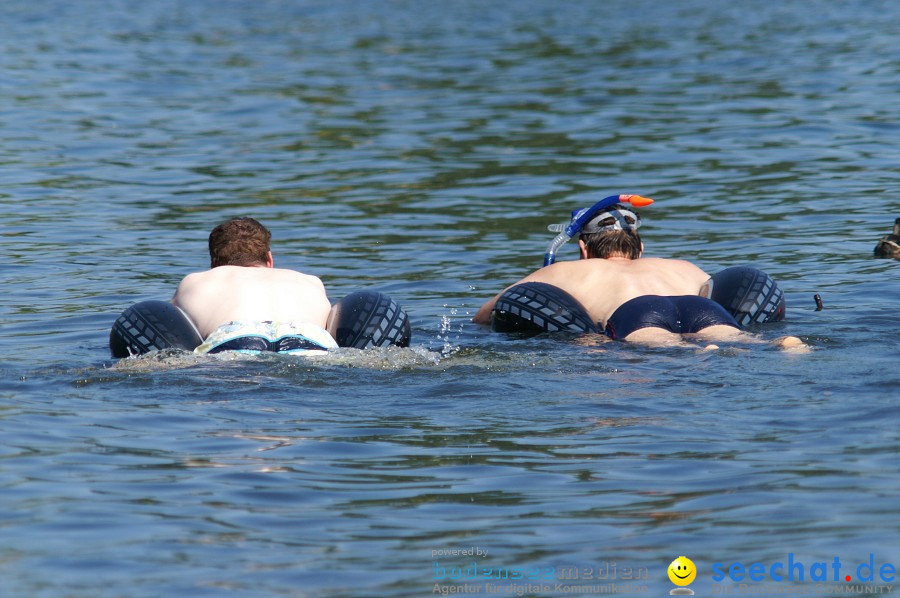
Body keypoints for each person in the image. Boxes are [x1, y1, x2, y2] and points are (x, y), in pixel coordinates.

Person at [474, 203, 776, 346]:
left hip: (638, 314)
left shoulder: (566, 271)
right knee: (738, 341)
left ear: (583, 249)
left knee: (664, 346)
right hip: (703, 309)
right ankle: (785, 345)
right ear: (640, 248)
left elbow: (486, 315)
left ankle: (694, 350)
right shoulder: (680, 266)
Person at [172, 217, 336, 352]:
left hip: (236, 339)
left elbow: (173, 329)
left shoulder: (195, 281)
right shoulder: (311, 281)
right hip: (310, 340)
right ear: (270, 259)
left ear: (213, 265)